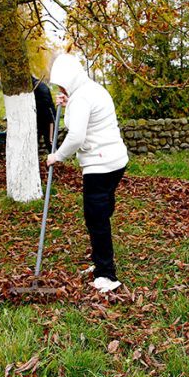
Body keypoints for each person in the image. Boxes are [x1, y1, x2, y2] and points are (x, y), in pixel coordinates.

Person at [47, 54, 129, 293]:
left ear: (69, 79)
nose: (61, 88)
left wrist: (58, 156)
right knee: (102, 213)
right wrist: (69, 101)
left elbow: (76, 137)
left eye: (62, 84)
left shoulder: (81, 98)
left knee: (96, 219)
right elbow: (83, 118)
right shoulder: (92, 89)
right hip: (115, 161)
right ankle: (100, 260)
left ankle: (107, 275)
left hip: (100, 166)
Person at [32, 75, 56, 151]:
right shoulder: (33, 87)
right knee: (33, 143)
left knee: (50, 143)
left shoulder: (40, 86)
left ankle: (56, 161)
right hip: (37, 120)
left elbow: (46, 103)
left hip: (48, 119)